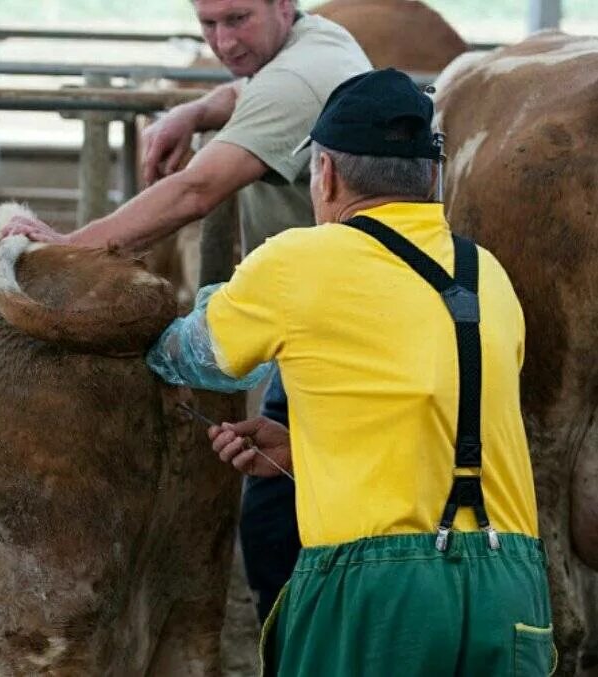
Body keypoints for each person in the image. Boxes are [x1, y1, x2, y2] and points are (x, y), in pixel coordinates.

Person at [145, 68, 552, 675]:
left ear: (325, 173)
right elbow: (446, 417)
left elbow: (191, 357)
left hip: (379, 596)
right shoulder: (485, 272)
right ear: (433, 176)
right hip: (512, 587)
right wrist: (309, 450)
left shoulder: (298, 260)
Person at [4, 0, 371, 623]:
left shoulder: (296, 79)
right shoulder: (313, 43)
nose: (223, 41)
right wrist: (193, 111)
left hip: (335, 331)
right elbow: (248, 93)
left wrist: (71, 248)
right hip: (340, 309)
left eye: (238, 19)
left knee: (277, 521)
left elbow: (197, 190)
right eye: (208, 23)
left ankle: (301, 645)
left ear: (283, 5)